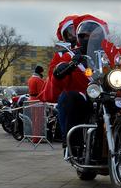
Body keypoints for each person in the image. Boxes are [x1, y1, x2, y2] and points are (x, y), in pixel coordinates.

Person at [50, 14, 108, 152]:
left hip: (107, 96)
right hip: (85, 97)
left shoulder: (109, 54)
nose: (90, 37)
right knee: (69, 97)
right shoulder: (67, 55)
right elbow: (56, 82)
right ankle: (73, 144)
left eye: (94, 33)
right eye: (85, 34)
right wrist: (66, 68)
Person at [38, 14, 79, 103]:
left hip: (91, 91)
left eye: (78, 31)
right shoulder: (61, 54)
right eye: (72, 31)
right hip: (69, 94)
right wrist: (61, 69)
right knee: (67, 100)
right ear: (65, 35)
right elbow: (53, 73)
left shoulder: (94, 51)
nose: (75, 35)